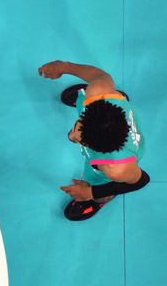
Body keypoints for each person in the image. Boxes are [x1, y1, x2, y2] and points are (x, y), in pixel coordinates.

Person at [38, 60, 150, 220]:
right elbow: (98, 75)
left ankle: (100, 200)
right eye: (80, 122)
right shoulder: (98, 91)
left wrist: (91, 192)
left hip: (123, 157)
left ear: (93, 148)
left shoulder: (115, 168)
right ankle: (110, 98)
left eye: (77, 139)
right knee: (93, 91)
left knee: (99, 183)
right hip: (111, 112)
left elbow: (141, 181)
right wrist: (63, 67)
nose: (71, 136)